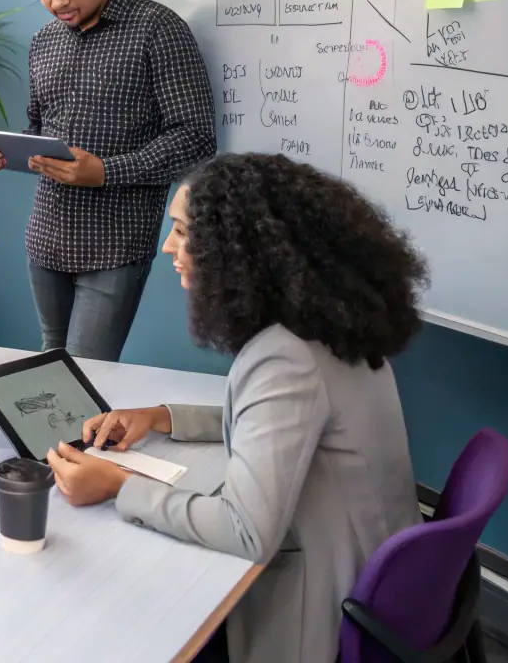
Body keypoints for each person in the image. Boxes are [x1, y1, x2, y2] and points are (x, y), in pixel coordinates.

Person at [45, 153, 424, 663]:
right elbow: (276, 424)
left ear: (238, 249)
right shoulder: (332, 327)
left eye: (182, 231)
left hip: (322, 605)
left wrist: (117, 486)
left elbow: (246, 533)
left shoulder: (285, 357)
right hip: (382, 580)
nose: (168, 248)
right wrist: (160, 417)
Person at [0, 0, 215, 361]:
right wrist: (9, 152)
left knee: (88, 371)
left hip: (116, 242)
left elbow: (196, 137)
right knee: (51, 361)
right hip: (46, 238)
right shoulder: (45, 41)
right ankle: (54, 437)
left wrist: (104, 171)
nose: (57, 1)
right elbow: (43, 130)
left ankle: (82, 436)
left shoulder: (158, 30)